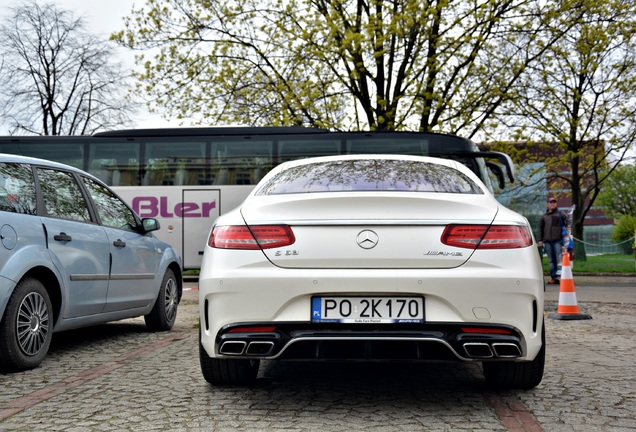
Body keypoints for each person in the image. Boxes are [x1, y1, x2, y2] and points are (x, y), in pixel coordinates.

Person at [538, 197, 567, 284]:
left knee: (559, 260)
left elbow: (567, 225)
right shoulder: (544, 216)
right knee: (551, 260)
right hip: (547, 242)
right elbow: (540, 229)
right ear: (547, 204)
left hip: (558, 241)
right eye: (551, 202)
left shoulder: (560, 214)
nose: (553, 204)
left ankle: (563, 278)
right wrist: (540, 240)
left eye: (554, 202)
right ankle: (554, 278)